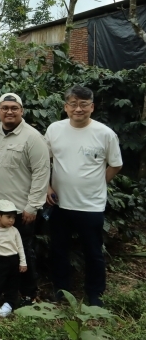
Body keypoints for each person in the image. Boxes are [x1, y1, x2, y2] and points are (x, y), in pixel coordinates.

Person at [44, 85, 122, 307]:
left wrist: (98, 183)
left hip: (91, 205)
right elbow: (42, 161)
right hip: (60, 203)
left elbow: (116, 165)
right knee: (59, 250)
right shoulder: (54, 130)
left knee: (93, 252)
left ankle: (95, 295)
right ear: (66, 107)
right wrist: (47, 186)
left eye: (84, 104)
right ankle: (61, 291)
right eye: (73, 104)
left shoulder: (105, 134)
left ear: (92, 107)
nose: (78, 109)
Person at [0, 92, 50, 305]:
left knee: (22, 252)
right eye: (5, 108)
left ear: (22, 111)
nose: (9, 112)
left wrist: (33, 206)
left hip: (19, 211)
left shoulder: (33, 137)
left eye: (14, 108)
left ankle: (27, 293)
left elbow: (42, 173)